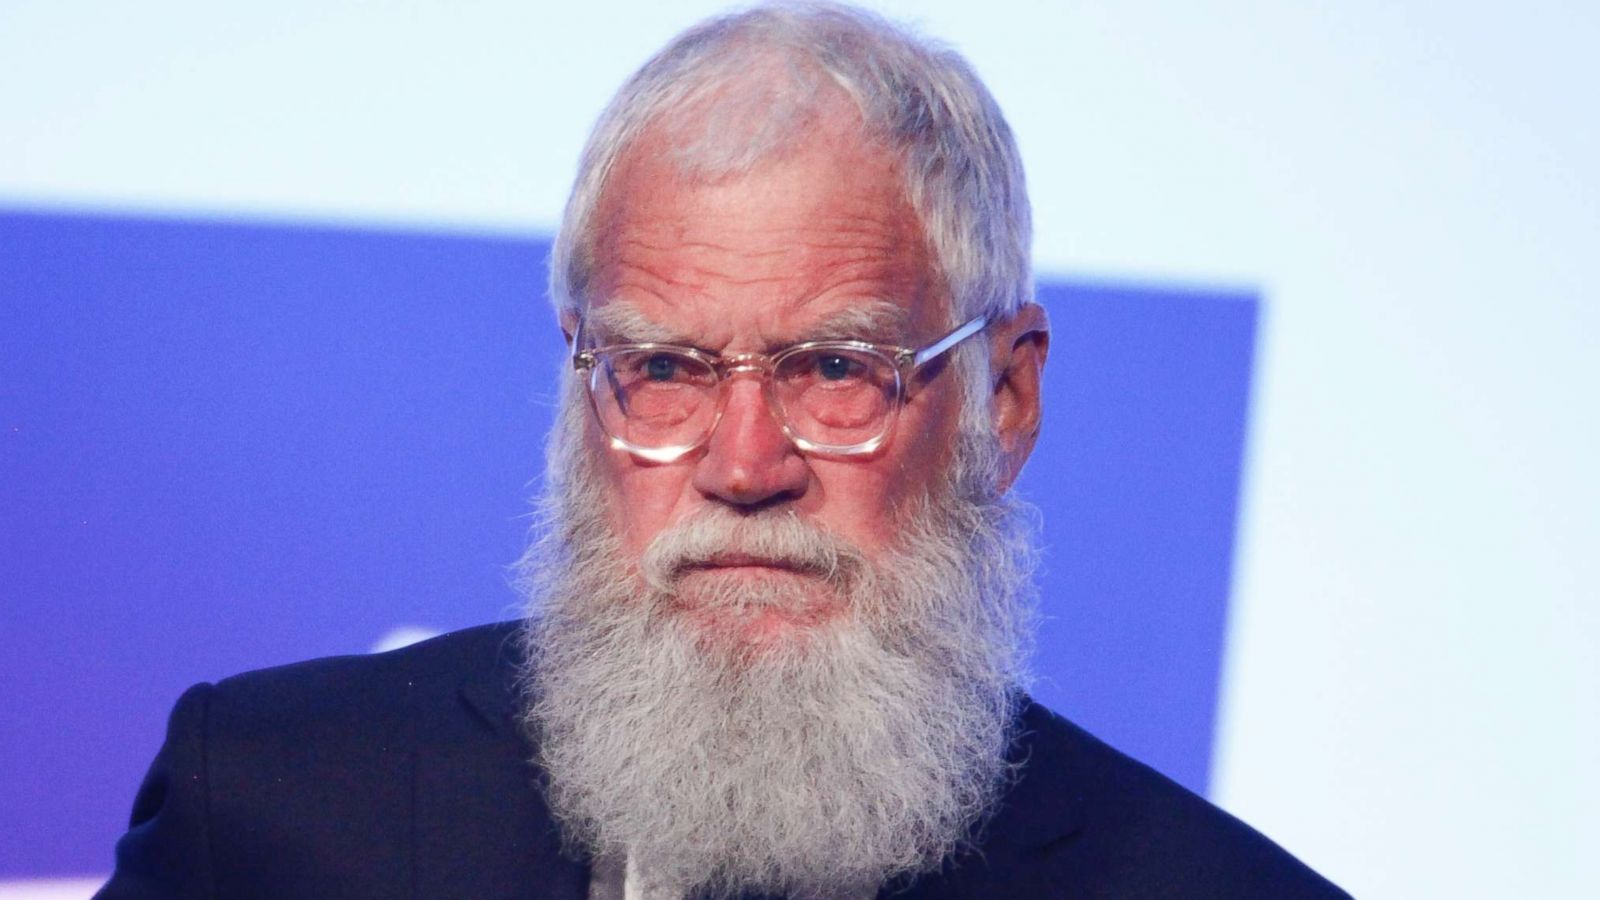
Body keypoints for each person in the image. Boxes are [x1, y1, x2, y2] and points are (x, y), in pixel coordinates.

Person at [97, 3, 1347, 898]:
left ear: (1003, 401)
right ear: (584, 379)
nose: (744, 466)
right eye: (666, 371)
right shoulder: (264, 808)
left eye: (836, 370)